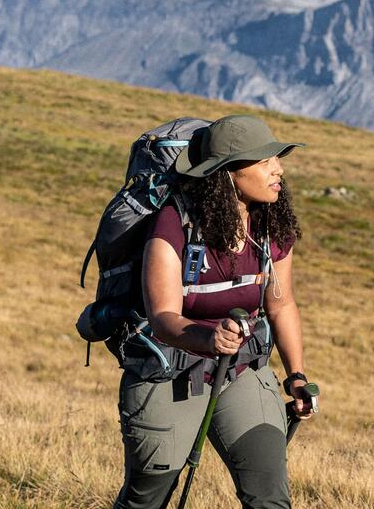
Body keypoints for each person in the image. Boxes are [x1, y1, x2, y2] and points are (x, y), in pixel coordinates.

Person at [115, 115, 318, 509]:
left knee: (270, 499)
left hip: (242, 371)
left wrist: (296, 375)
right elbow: (163, 318)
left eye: (275, 158)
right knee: (147, 501)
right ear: (226, 173)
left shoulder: (271, 226)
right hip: (168, 373)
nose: (278, 169)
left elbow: (281, 304)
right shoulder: (175, 224)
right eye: (263, 161)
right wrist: (208, 338)